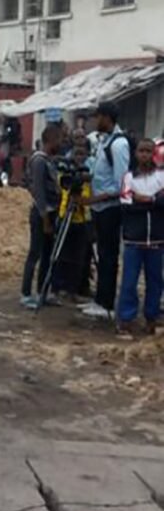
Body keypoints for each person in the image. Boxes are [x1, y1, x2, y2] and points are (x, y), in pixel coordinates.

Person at [81, 102, 131, 320]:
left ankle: (107, 304)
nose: (95, 121)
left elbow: (121, 184)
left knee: (109, 256)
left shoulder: (119, 145)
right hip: (100, 208)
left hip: (110, 209)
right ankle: (100, 299)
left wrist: (93, 198)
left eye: (98, 117)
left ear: (107, 118)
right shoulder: (104, 141)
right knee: (102, 254)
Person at [115, 139, 164, 337]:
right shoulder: (128, 177)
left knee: (155, 281)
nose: (144, 155)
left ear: (153, 154)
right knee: (129, 281)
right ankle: (126, 319)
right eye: (141, 151)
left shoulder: (161, 175)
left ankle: (151, 318)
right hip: (133, 238)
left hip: (157, 239)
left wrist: (145, 199)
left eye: (147, 151)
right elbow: (126, 204)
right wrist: (154, 201)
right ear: (135, 154)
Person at [20, 126, 61, 309]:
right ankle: (26, 293)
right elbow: (39, 193)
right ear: (50, 139)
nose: (61, 143)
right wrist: (44, 218)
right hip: (41, 214)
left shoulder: (50, 161)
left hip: (51, 213)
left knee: (48, 255)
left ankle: (43, 291)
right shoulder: (39, 161)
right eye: (59, 138)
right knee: (35, 253)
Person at [54, 142, 92, 302]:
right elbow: (60, 189)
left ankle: (73, 289)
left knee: (79, 256)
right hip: (66, 215)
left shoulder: (88, 175)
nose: (79, 157)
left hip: (82, 219)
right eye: (77, 154)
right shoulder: (65, 172)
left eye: (82, 154)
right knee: (61, 254)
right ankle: (57, 286)